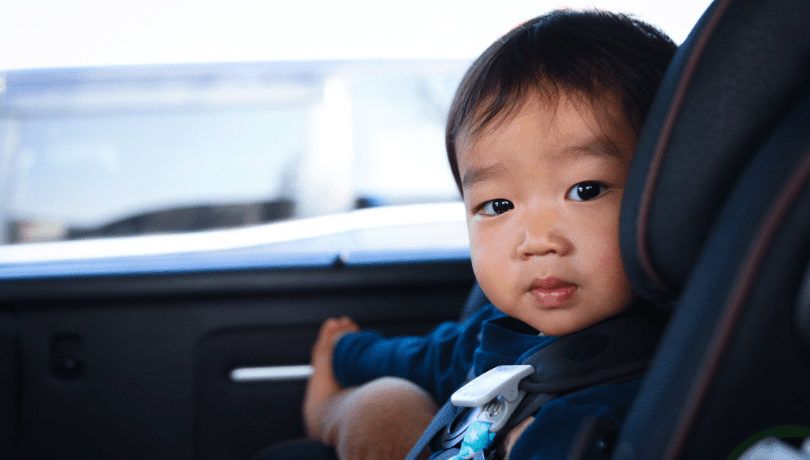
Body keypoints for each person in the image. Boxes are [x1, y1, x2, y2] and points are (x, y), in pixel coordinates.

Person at [299, 9, 677, 460]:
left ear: (666, 195)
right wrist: (345, 350)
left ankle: (330, 413)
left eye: (585, 190)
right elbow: (423, 357)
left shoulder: (633, 397)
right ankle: (330, 412)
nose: (537, 240)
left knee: (384, 407)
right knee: (387, 399)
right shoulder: (497, 333)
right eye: (498, 206)